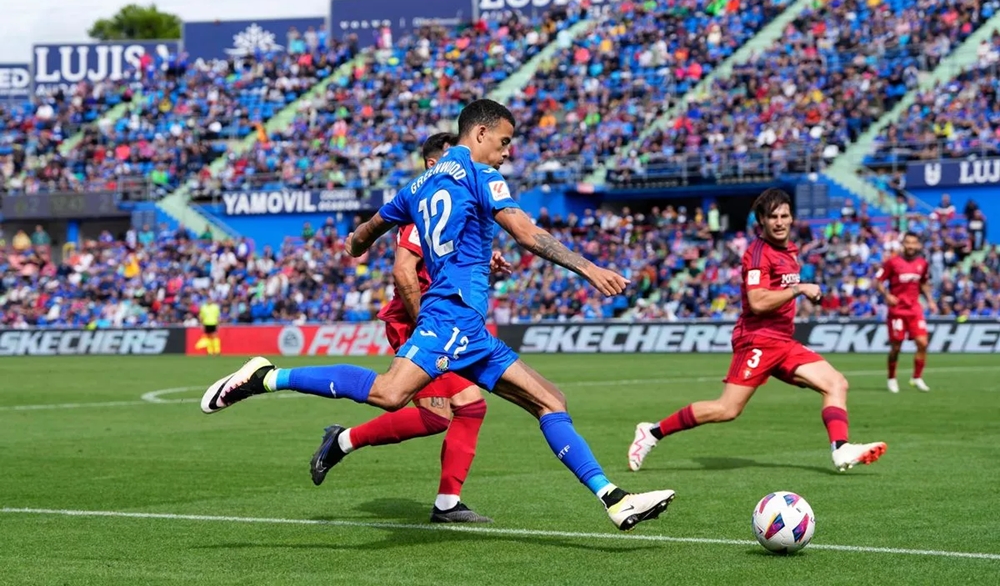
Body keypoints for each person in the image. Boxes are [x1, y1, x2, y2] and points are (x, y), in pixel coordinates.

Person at [202, 99, 676, 532]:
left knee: (551, 400)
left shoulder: (416, 186)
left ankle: (614, 499)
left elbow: (368, 230)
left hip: (467, 326)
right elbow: (527, 234)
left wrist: (358, 244)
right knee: (390, 393)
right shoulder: (480, 173)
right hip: (449, 317)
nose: (507, 152)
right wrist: (589, 267)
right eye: (505, 141)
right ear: (480, 133)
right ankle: (267, 376)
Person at [309, 133, 498, 524]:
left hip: (440, 320)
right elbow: (402, 269)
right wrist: (421, 325)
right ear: (434, 164)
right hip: (417, 322)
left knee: (469, 406)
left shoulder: (450, 200)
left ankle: (446, 503)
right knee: (436, 414)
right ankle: (341, 440)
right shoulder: (426, 200)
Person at [628, 188, 887, 473]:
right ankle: (651, 432)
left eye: (784, 216)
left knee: (836, 383)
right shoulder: (758, 254)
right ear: (761, 221)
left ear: (791, 218)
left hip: (783, 342)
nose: (779, 222)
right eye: (772, 216)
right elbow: (758, 301)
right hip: (758, 340)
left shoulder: (789, 251)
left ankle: (841, 449)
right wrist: (798, 289)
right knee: (727, 409)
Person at [875, 232, 937, 393]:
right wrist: (887, 295)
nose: (910, 246)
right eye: (907, 243)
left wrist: (930, 300)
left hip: (915, 309)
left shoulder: (922, 263)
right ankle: (891, 378)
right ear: (903, 244)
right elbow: (879, 281)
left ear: (918, 245)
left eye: (913, 243)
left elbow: (923, 283)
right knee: (896, 347)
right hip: (897, 310)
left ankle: (916, 377)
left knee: (923, 343)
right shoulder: (892, 262)